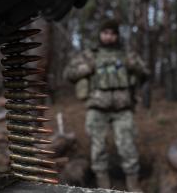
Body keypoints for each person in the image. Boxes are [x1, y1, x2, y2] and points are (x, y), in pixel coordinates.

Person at [64, 19, 149, 191]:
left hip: (123, 109)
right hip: (97, 108)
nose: (108, 36)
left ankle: (133, 186)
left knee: (128, 148)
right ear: (100, 34)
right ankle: (103, 187)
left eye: (112, 33)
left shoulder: (127, 55)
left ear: (117, 35)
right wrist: (87, 68)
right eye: (105, 33)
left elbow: (145, 73)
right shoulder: (90, 55)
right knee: (98, 149)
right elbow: (69, 73)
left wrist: (135, 67)